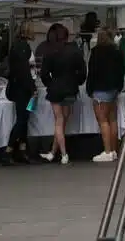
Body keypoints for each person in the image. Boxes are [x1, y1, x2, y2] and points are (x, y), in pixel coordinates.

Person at [39, 23, 86, 165]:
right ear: (67, 36)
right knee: (63, 121)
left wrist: (50, 84)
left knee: (59, 122)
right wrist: (76, 82)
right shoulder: (75, 51)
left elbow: (44, 74)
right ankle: (52, 153)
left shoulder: (50, 52)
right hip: (71, 89)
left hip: (56, 89)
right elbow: (83, 71)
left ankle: (64, 154)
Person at [86, 26, 125, 163]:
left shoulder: (96, 52)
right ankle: (114, 150)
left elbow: (91, 72)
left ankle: (107, 151)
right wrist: (119, 87)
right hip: (114, 89)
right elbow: (122, 71)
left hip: (100, 90)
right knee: (113, 120)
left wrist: (89, 89)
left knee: (103, 121)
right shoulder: (117, 51)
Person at [3, 21, 36, 166]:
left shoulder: (18, 46)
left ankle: (22, 149)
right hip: (24, 90)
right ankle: (9, 150)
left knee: (25, 118)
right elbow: (24, 71)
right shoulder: (23, 47)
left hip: (21, 88)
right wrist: (32, 88)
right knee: (22, 119)